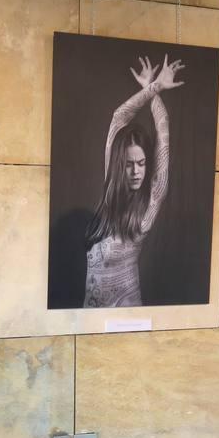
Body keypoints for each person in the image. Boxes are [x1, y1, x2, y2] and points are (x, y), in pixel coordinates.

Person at [83, 54, 183, 307]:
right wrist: (149, 87)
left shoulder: (150, 202)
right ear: (119, 166)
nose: (136, 171)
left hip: (126, 310)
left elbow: (163, 130)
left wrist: (156, 88)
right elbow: (120, 117)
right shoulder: (109, 197)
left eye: (141, 163)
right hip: (90, 316)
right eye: (129, 165)